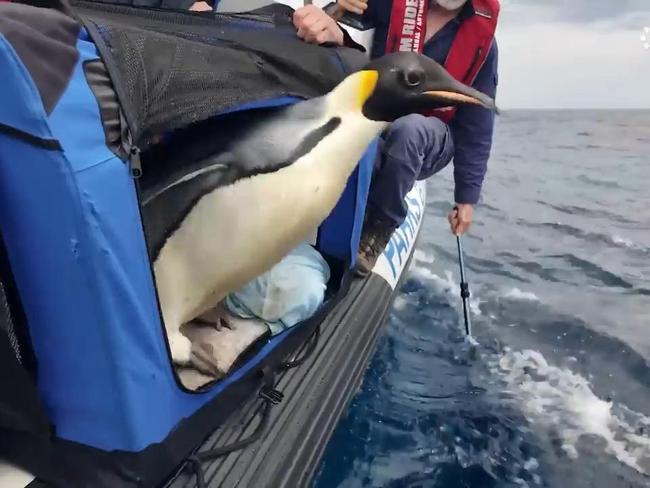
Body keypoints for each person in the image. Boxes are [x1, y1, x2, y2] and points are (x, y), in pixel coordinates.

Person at [293, 0, 499, 276]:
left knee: (410, 130)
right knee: (361, 140)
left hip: (432, 135)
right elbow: (345, 28)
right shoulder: (390, 5)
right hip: (379, 119)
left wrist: (466, 198)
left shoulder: (484, 43)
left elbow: (478, 125)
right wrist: (335, 10)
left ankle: (380, 227)